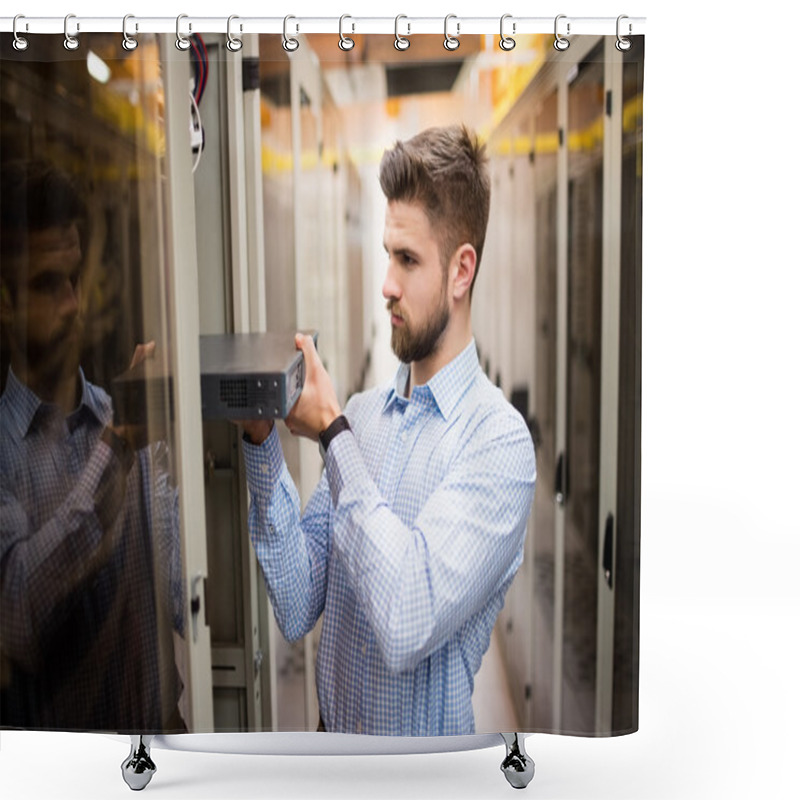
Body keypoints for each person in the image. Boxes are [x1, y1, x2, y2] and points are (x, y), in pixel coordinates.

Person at [241, 125, 536, 736]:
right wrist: (260, 441)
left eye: (407, 260)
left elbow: (408, 615)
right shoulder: (365, 417)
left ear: (461, 271)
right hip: (330, 757)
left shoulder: (498, 445)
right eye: (387, 255)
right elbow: (298, 603)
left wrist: (332, 437)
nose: (387, 285)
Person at [0, 160, 185, 732]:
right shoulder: (8, 450)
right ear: (3, 303)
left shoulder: (116, 415)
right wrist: (120, 446)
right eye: (44, 284)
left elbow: (184, 596)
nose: (72, 304)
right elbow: (19, 617)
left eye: (74, 279)